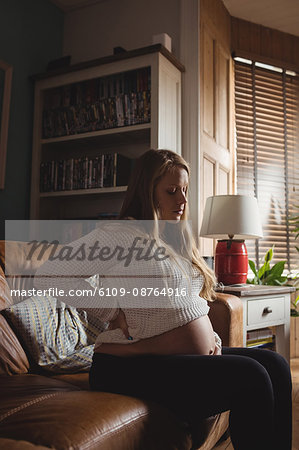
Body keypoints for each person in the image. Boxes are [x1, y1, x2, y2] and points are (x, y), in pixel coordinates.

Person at [35, 149, 292, 450]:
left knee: (275, 363)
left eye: (184, 190)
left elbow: (184, 307)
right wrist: (112, 312)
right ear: (148, 193)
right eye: (171, 191)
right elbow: (50, 273)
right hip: (127, 368)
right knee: (252, 376)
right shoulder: (121, 235)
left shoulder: (171, 237)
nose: (182, 200)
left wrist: (213, 344)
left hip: (170, 358)